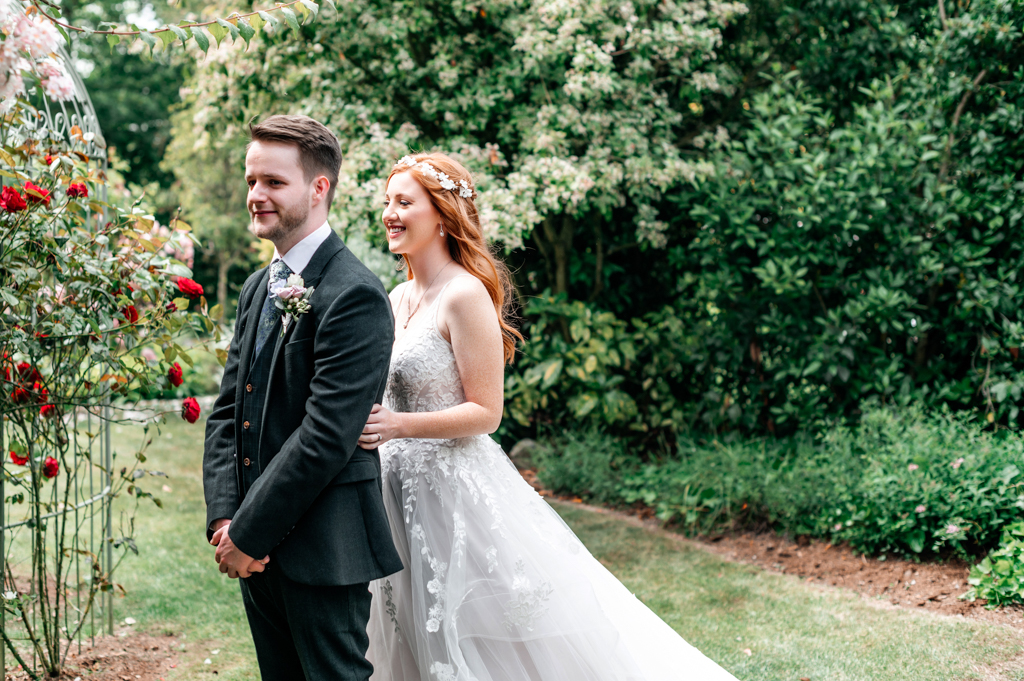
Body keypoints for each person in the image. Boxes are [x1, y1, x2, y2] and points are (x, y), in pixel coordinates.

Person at [359, 153, 739, 680]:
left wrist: (399, 427)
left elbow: (486, 412)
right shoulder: (396, 296)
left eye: (405, 202)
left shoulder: (464, 294)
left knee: (485, 636)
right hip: (393, 491)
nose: (390, 213)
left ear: (443, 215)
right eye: (387, 202)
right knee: (406, 631)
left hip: (452, 495)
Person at [202, 114, 403, 681]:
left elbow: (326, 437)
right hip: (253, 543)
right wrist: (225, 516)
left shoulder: (355, 295)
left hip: (323, 547)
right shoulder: (257, 285)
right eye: (251, 181)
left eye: (273, 182)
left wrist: (249, 532)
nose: (256, 196)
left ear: (320, 188)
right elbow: (228, 410)